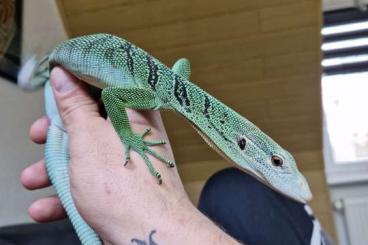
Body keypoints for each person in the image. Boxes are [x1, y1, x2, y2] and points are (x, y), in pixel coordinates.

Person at [12, 67, 333, 245]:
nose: (301, 190)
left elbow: (180, 68)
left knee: (230, 187)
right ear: (246, 143)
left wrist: (166, 222)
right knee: (230, 186)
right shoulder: (159, 96)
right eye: (276, 162)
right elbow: (115, 92)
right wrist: (128, 139)